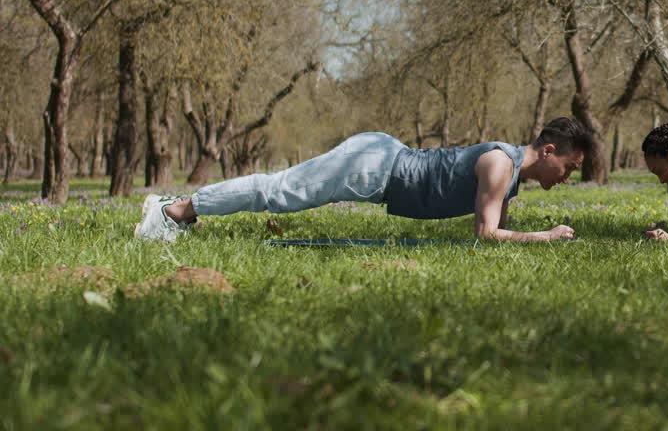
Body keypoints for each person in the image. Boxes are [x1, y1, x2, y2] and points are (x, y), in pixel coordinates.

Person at [134, 116, 591, 243]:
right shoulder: (500, 165)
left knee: (279, 192)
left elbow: (493, 235)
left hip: (380, 161)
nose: (568, 177)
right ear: (549, 151)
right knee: (279, 193)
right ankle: (174, 211)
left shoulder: (510, 176)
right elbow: (488, 234)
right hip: (372, 165)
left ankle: (178, 209)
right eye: (569, 166)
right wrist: (545, 236)